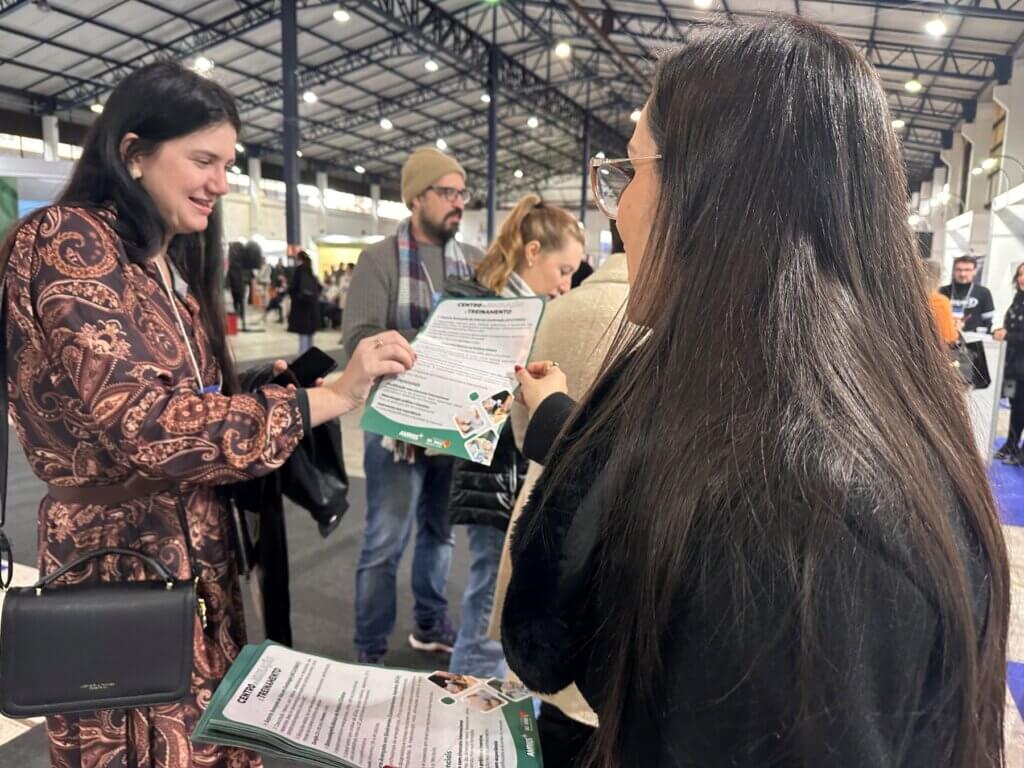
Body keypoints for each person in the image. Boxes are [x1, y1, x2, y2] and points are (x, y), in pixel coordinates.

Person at [503, 17, 1008, 768]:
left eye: (632, 171)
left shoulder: (798, 527)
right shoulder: (804, 411)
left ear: (717, 191)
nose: (620, 208)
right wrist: (561, 421)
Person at [0, 60, 416, 768]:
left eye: (228, 164)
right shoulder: (68, 240)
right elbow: (148, 426)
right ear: (133, 153)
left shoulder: (161, 260)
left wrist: (255, 386)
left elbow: (170, 394)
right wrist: (327, 398)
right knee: (143, 745)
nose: (222, 183)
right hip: (119, 561)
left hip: (194, 556)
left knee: (209, 737)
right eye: (204, 161)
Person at [489, 225, 630, 767]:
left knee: (552, 698)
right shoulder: (676, 318)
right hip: (617, 528)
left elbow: (524, 432)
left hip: (545, 505)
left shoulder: (555, 311)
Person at [342, 146, 484, 663]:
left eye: (462, 193)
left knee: (440, 535)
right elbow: (358, 339)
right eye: (447, 192)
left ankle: (429, 623)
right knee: (384, 541)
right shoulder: (379, 260)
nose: (458, 202)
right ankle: (370, 649)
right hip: (395, 429)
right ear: (416, 197)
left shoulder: (472, 262)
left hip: (453, 426)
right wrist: (435, 348)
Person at [445, 194, 583, 680]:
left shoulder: (523, 307)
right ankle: (465, 700)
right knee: (488, 600)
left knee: (492, 590)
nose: (566, 285)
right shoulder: (495, 310)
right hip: (493, 473)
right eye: (563, 270)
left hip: (504, 471)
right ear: (532, 252)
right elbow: (468, 410)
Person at [994, 262, 1024, 464]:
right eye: (1020, 274)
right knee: (1016, 405)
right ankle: (1011, 444)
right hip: (1015, 365)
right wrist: (1001, 331)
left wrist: (1008, 336)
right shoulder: (1018, 299)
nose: (1022, 278)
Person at [940, 255, 996, 332]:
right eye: (959, 270)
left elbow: (988, 323)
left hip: (972, 338)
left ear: (974, 271)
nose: (962, 274)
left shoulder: (984, 292)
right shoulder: (942, 291)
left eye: (967, 270)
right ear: (954, 271)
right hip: (945, 335)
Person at [288, 249, 320, 353]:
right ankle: (310, 357)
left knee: (303, 337)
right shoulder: (311, 272)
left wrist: (293, 296)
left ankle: (303, 357)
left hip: (301, 308)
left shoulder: (299, 271)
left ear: (299, 259)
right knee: (310, 336)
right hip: (312, 309)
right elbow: (318, 288)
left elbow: (293, 288)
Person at [926, 259, 959, 345]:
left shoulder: (906, 298)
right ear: (937, 278)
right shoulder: (940, 301)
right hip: (932, 350)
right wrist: (956, 328)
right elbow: (949, 338)